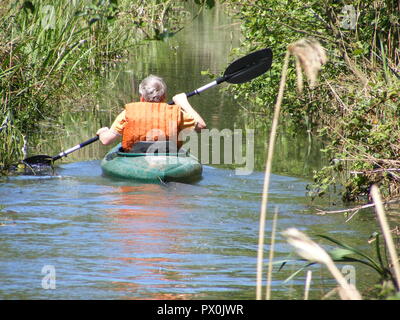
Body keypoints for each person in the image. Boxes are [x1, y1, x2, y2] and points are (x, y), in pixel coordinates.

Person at [96, 75, 206, 152]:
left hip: (135, 157)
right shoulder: (177, 113)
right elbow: (201, 126)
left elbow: (106, 140)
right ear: (164, 97)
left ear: (142, 97)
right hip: (168, 158)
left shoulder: (128, 113)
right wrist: (183, 103)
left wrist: (102, 132)